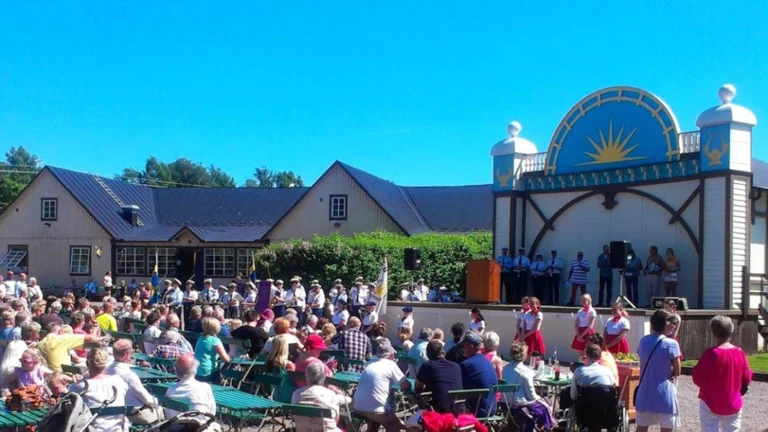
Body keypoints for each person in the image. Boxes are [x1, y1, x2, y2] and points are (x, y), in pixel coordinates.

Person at [693, 316, 752, 432]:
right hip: (733, 401)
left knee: (708, 429)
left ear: (713, 333)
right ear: (731, 331)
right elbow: (747, 378)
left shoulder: (709, 354)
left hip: (710, 400)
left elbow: (697, 379)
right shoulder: (739, 352)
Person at [635, 309, 682, 432]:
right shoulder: (671, 344)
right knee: (666, 427)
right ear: (664, 324)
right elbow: (678, 371)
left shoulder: (643, 341)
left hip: (645, 390)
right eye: (671, 322)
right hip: (664, 391)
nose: (673, 326)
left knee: (641, 427)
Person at [352, 339, 411, 432]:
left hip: (357, 406)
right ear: (391, 355)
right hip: (376, 410)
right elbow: (405, 385)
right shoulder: (390, 364)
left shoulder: (370, 363)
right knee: (394, 425)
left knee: (378, 417)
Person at [70, 348, 130, 432]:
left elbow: (68, 398)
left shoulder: (81, 386)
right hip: (118, 428)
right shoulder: (119, 381)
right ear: (105, 364)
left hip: (93, 429)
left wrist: (80, 380)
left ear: (87, 364)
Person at [501, 341, 555, 431]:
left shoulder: (504, 369)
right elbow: (531, 396)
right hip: (519, 406)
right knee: (546, 404)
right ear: (524, 355)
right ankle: (548, 427)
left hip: (505, 405)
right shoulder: (525, 372)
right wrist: (540, 398)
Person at [107, 339, 161, 425]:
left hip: (117, 412)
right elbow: (148, 400)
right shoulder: (130, 376)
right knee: (165, 410)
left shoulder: (107, 370)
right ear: (127, 354)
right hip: (136, 415)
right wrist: (159, 403)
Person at [292, 361, 349, 432]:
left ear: (306, 376)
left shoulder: (296, 394)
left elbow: (294, 418)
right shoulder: (330, 395)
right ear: (323, 377)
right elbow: (336, 420)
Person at [416, 340, 463, 414]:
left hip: (439, 412)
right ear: (443, 353)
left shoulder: (427, 365)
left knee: (419, 393)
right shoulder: (456, 366)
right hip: (458, 411)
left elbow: (418, 385)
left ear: (428, 355)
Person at [164, 353, 216, 418]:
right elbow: (212, 411)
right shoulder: (205, 388)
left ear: (176, 372)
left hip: (176, 426)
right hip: (202, 425)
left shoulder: (170, 391)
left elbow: (168, 414)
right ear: (194, 371)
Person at [459, 332, 498, 417]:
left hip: (477, 410)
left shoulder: (466, 364)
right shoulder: (488, 362)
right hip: (492, 408)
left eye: (464, 346)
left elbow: (457, 387)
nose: (462, 349)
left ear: (471, 346)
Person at [37, 323, 104, 372]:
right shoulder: (63, 339)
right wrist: (96, 329)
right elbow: (91, 338)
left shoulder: (39, 344)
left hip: (47, 375)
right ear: (60, 331)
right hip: (63, 375)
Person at [194, 317, 231, 383]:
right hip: (209, 371)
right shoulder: (215, 341)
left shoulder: (200, 338)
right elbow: (226, 359)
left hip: (197, 369)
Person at [265, 335, 297, 403]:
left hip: (276, 395)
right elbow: (296, 381)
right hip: (290, 396)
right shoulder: (288, 365)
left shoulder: (268, 363)